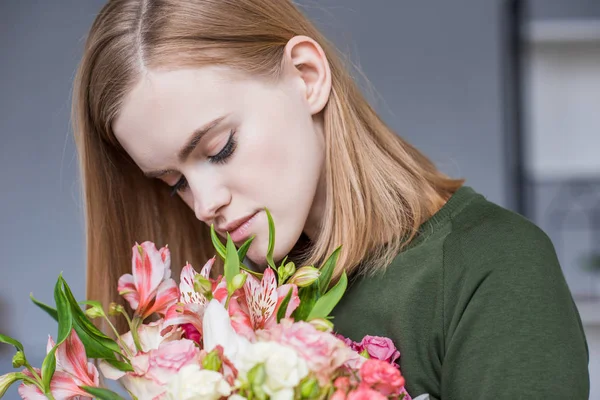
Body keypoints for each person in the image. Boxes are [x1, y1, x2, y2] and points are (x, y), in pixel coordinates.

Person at [72, 1, 590, 399]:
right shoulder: (210, 318)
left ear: (306, 76)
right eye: (174, 183)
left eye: (219, 148)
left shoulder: (492, 269)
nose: (204, 204)